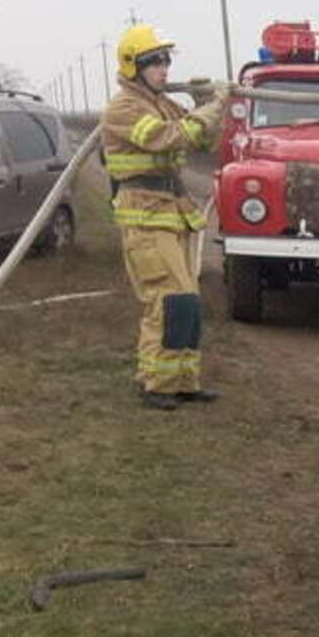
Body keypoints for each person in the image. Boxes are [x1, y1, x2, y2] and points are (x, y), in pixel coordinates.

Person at [101, 26, 228, 409]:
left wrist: (205, 103)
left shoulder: (162, 102)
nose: (164, 68)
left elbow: (203, 141)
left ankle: (184, 380)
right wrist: (210, 108)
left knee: (187, 302)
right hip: (144, 216)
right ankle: (156, 383)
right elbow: (167, 138)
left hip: (170, 214)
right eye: (155, 61)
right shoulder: (124, 107)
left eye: (166, 60)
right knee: (168, 301)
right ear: (133, 66)